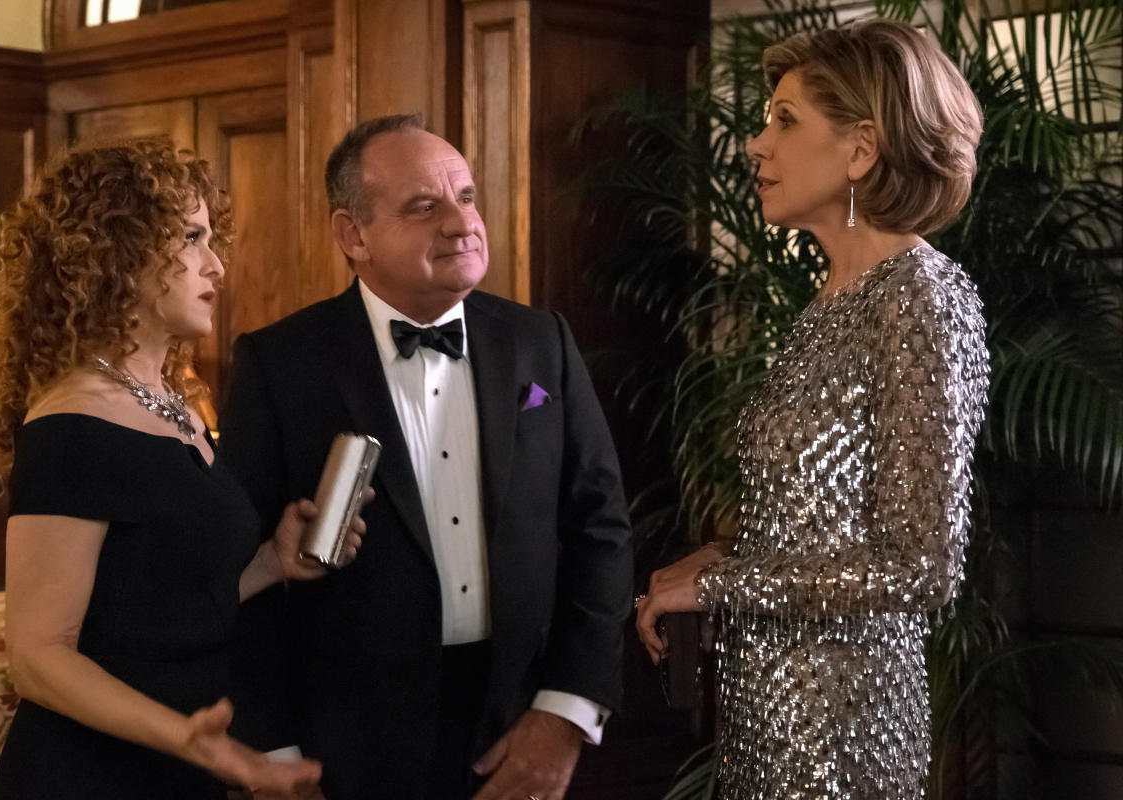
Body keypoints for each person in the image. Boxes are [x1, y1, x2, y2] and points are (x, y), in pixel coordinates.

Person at [218, 113, 633, 800]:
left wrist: (566, 715)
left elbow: (602, 531)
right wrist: (275, 758)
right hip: (345, 752)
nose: (461, 223)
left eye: (466, 196)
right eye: (423, 206)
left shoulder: (541, 342)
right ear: (353, 235)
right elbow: (241, 576)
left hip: (518, 728)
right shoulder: (280, 364)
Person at [635, 19, 990, 799]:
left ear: (861, 149)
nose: (756, 145)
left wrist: (723, 586)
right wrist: (724, 555)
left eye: (785, 120)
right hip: (771, 726)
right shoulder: (835, 299)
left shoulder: (921, 301)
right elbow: (822, 526)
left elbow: (922, 567)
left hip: (847, 740)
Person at [0, 140, 365, 799]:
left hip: (181, 768)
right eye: (191, 238)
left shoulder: (177, 405)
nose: (216, 264)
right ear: (117, 252)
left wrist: (270, 564)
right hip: (89, 777)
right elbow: (38, 656)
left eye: (212, 239)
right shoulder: (70, 423)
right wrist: (186, 737)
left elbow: (159, 607)